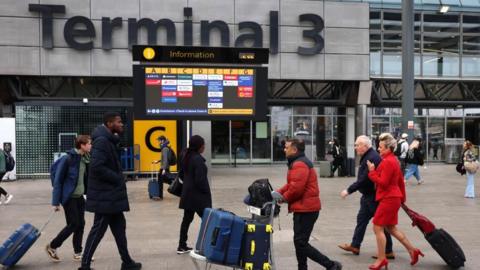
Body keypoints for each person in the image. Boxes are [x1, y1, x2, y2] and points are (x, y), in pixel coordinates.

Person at [79, 112, 141, 270]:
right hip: (105, 196)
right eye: (118, 122)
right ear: (109, 123)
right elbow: (97, 167)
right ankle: (84, 265)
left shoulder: (108, 140)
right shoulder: (102, 141)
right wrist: (117, 178)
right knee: (98, 230)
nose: (122, 125)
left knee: (120, 229)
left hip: (111, 196)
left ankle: (126, 262)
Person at [274, 139, 342, 270]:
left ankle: (331, 265)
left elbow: (296, 189)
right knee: (300, 242)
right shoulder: (297, 162)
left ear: (294, 149)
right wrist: (277, 193)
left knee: (301, 243)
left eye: (286, 147)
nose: (284, 149)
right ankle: (303, 267)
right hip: (304, 208)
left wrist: (282, 198)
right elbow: (291, 184)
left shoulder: (299, 164)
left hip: (306, 209)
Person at [366, 133, 423, 270]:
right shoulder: (393, 161)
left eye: (381, 147)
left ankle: (381, 259)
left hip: (388, 198)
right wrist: (402, 198)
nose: (378, 149)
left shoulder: (388, 162)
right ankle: (412, 250)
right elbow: (399, 183)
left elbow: (384, 183)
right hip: (393, 198)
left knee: (377, 227)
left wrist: (372, 172)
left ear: (388, 148)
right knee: (391, 228)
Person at [338, 135, 394, 259]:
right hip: (367, 196)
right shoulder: (368, 155)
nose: (356, 147)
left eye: (357, 145)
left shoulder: (371, 157)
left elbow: (365, 179)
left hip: (373, 196)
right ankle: (355, 245)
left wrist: (348, 190)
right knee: (361, 220)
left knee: (380, 224)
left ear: (365, 145)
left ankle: (388, 250)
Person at [46, 135, 91, 262]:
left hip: (79, 197)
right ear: (82, 145)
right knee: (73, 224)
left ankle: (78, 253)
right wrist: (55, 202)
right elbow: (58, 181)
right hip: (69, 197)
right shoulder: (68, 159)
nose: (90, 146)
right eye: (89, 143)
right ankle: (52, 246)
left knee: (81, 224)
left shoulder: (85, 158)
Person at [178, 135, 211, 254]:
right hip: (198, 197)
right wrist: (206, 191)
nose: (204, 147)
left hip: (188, 195)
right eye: (203, 144)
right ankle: (207, 245)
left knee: (186, 220)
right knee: (209, 220)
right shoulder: (197, 159)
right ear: (199, 146)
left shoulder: (186, 155)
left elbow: (181, 175)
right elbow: (200, 180)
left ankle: (181, 246)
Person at [152, 135, 173, 200]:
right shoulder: (164, 148)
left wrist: (163, 169)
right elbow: (164, 158)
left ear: (162, 140)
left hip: (164, 167)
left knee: (161, 181)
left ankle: (160, 196)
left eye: (159, 140)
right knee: (166, 180)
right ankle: (175, 185)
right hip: (165, 167)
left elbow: (166, 159)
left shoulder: (164, 148)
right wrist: (158, 161)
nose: (159, 142)